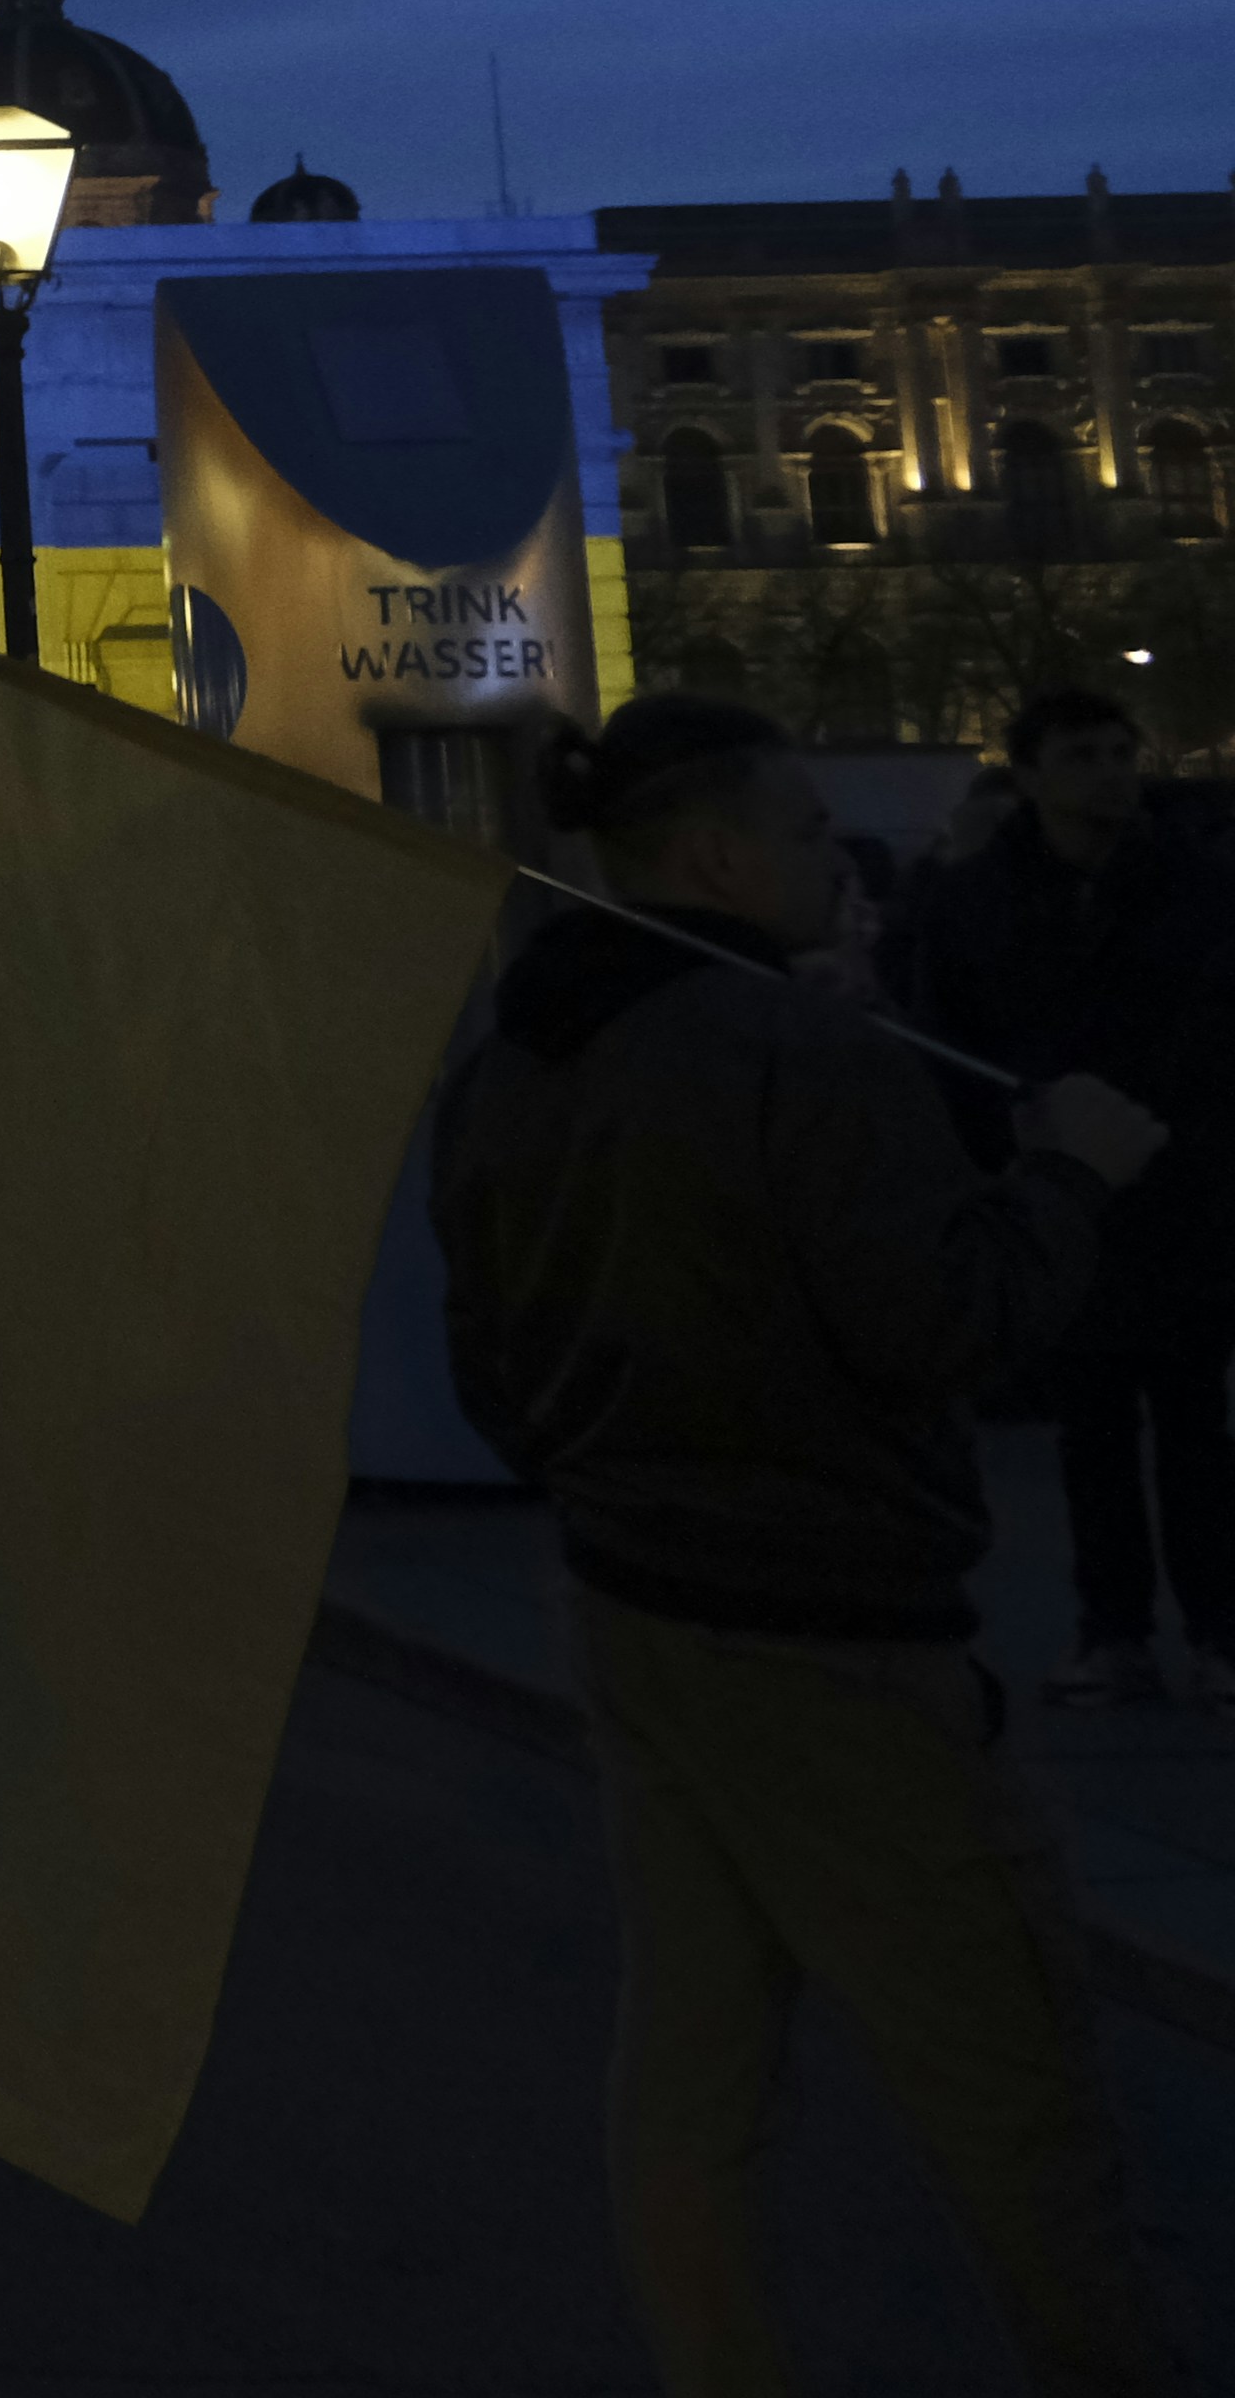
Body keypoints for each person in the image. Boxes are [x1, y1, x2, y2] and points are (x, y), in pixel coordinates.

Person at [432, 692, 1188, 2394]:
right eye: (794, 834)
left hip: (631, 1600)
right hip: (839, 1630)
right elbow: (952, 1322)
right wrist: (1068, 1176)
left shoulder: (513, 1055)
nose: (829, 862)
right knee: (1018, 2091)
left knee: (695, 2064)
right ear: (706, 856)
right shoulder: (803, 1055)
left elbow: (491, 1364)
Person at [891, 685, 1235, 1707]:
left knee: (1192, 1425)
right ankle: (1117, 1627)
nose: (1111, 773)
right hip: (1063, 1188)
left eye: (1120, 751)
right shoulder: (974, 902)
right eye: (1084, 754)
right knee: (1094, 1429)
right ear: (1030, 771)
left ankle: (1212, 1627)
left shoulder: (1203, 886)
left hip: (1181, 1187)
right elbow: (949, 1046)